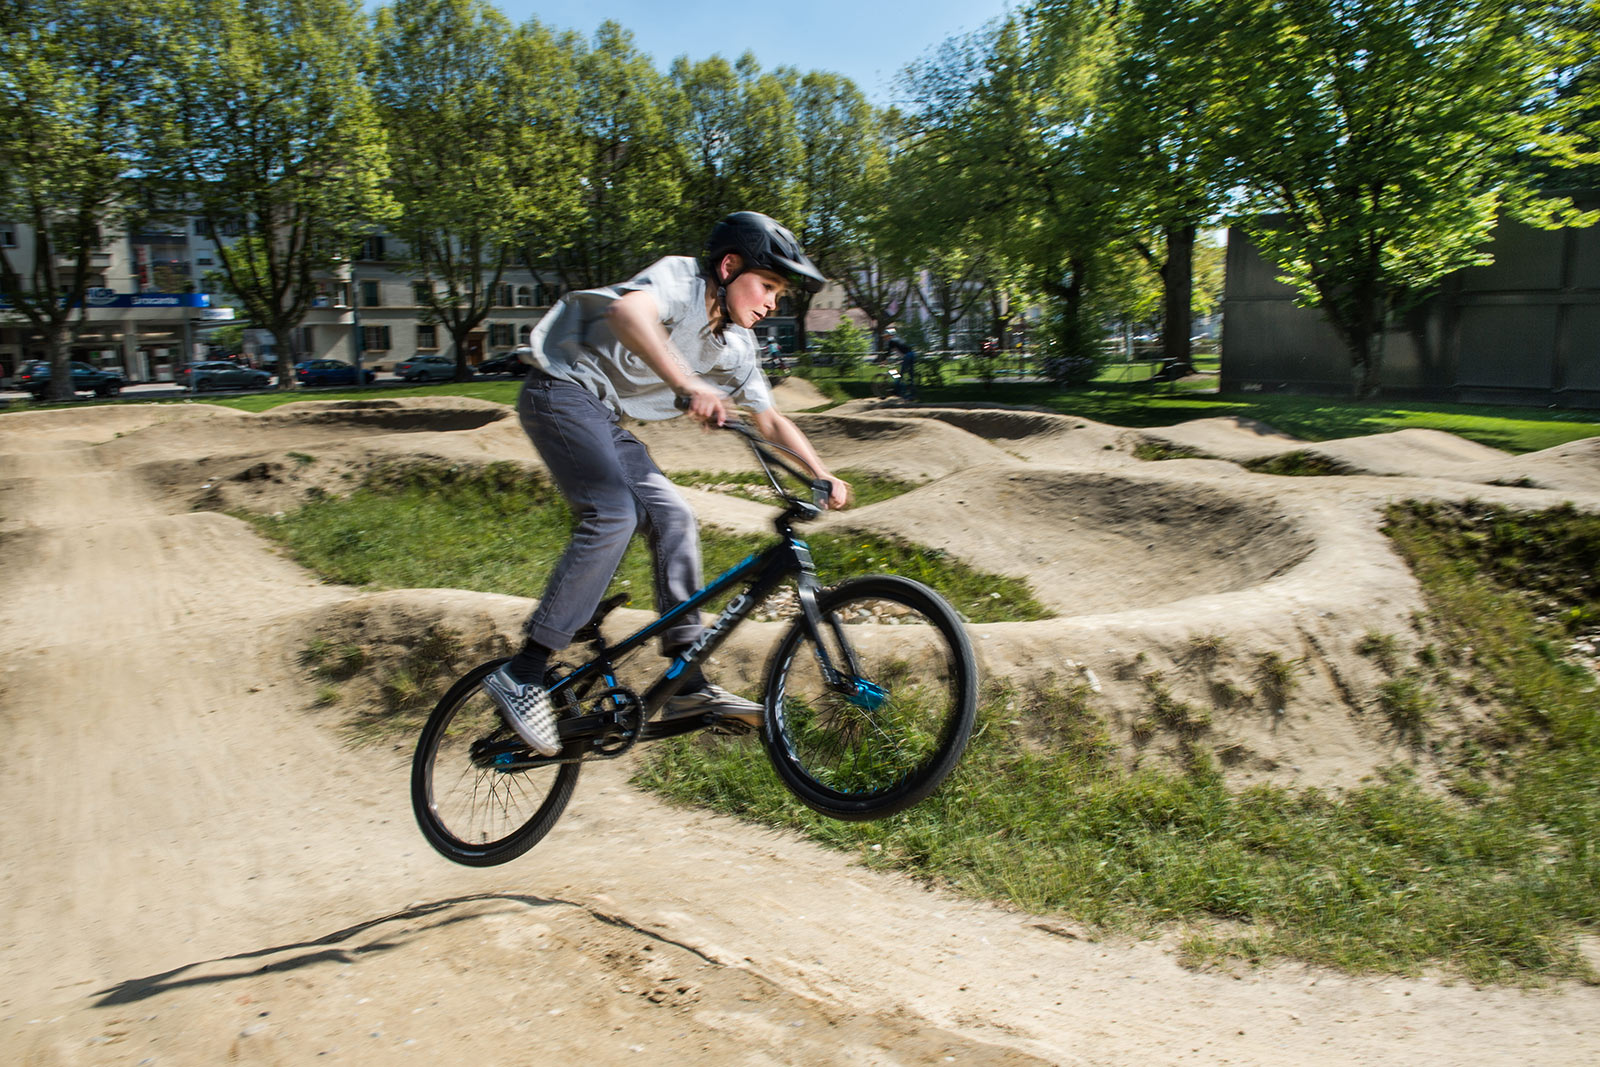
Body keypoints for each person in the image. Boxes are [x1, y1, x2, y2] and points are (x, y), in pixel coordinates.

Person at [483, 212, 850, 755]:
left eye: (779, 293)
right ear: (728, 267)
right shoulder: (682, 280)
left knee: (675, 516)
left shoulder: (739, 348)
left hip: (605, 419)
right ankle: (525, 671)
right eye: (767, 285)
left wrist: (820, 472)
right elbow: (627, 310)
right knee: (614, 514)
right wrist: (687, 382)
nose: (773, 302)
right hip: (559, 391)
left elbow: (770, 420)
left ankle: (686, 680)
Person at [883, 326, 916, 398]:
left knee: (900, 374)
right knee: (910, 375)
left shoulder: (891, 341)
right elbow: (901, 351)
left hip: (908, 356)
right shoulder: (898, 340)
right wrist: (899, 360)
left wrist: (884, 361)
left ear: (889, 336)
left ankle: (897, 392)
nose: (885, 338)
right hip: (912, 354)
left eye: (886, 336)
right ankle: (912, 394)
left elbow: (888, 352)